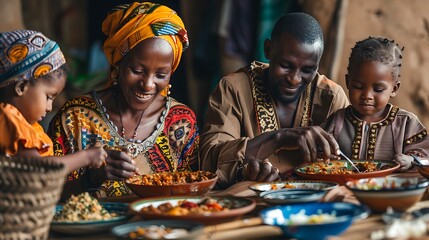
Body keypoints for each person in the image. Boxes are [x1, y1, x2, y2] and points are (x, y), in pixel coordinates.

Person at [48, 2, 199, 199]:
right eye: (137, 71)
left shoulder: (181, 122)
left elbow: (194, 190)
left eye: (161, 75)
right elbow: (45, 194)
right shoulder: (75, 118)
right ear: (118, 63)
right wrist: (93, 178)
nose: (147, 84)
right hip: (89, 230)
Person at [200, 12, 350, 189]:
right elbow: (208, 162)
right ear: (268, 50)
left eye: (308, 70)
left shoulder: (330, 97)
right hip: (251, 201)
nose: (294, 79)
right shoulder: (234, 88)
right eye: (286, 66)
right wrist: (279, 138)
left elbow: (352, 165)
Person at [0, 29, 107, 172]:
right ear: (21, 87)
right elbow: (40, 168)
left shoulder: (27, 124)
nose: (49, 107)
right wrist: (86, 157)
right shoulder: (6, 117)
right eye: (48, 97)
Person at [321, 37, 429, 172]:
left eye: (378, 89)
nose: (367, 95)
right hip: (347, 188)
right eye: (358, 86)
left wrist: (410, 160)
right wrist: (325, 155)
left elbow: (425, 156)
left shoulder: (406, 122)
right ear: (348, 82)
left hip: (392, 189)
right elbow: (319, 149)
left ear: (394, 89)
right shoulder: (337, 121)